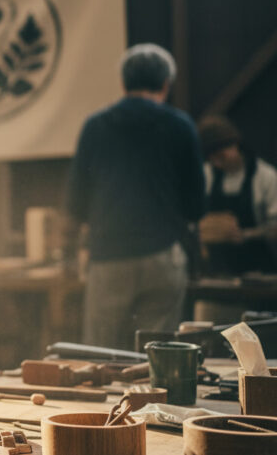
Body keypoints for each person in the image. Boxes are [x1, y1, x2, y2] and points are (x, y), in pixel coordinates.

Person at [65, 44, 206, 351]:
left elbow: (75, 201)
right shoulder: (180, 126)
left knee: (101, 354)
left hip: (108, 257)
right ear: (166, 84)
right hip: (162, 256)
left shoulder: (96, 126)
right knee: (155, 356)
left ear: (123, 83)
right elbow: (196, 206)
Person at [197, 115, 277, 276]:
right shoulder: (206, 176)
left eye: (221, 155)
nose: (216, 163)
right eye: (211, 158)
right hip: (217, 272)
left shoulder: (265, 177)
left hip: (260, 271)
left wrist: (246, 235)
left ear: (235, 145)